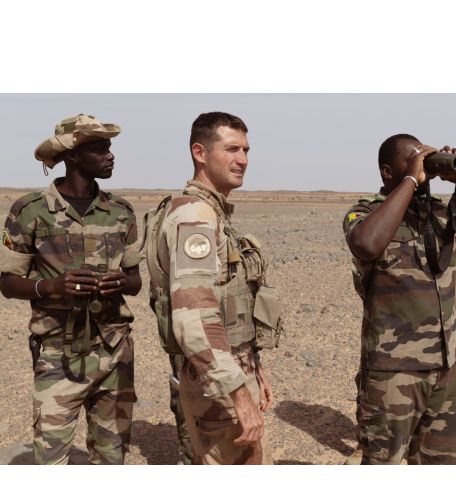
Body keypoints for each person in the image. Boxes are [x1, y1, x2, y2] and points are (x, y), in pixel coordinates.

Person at [343, 133, 456, 464]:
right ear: (388, 172)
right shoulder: (366, 212)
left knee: (439, 463)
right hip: (394, 368)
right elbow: (366, 244)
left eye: (424, 157)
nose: (422, 164)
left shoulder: (436, 212)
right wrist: (410, 179)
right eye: (412, 158)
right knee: (383, 462)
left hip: (445, 366)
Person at [0, 114, 142, 465]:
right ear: (74, 156)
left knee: (111, 455)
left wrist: (120, 283)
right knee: (51, 457)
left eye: (109, 148)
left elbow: (136, 281)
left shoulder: (121, 212)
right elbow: (6, 282)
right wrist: (50, 286)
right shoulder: (31, 211)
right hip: (57, 352)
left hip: (114, 349)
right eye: (100, 149)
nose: (110, 156)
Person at [144, 112, 278, 465]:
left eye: (246, 150)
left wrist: (254, 368)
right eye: (231, 149)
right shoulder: (196, 218)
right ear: (200, 153)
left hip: (228, 370)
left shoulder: (211, 212)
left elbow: (230, 302)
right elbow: (195, 321)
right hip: (217, 384)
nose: (243, 160)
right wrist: (239, 395)